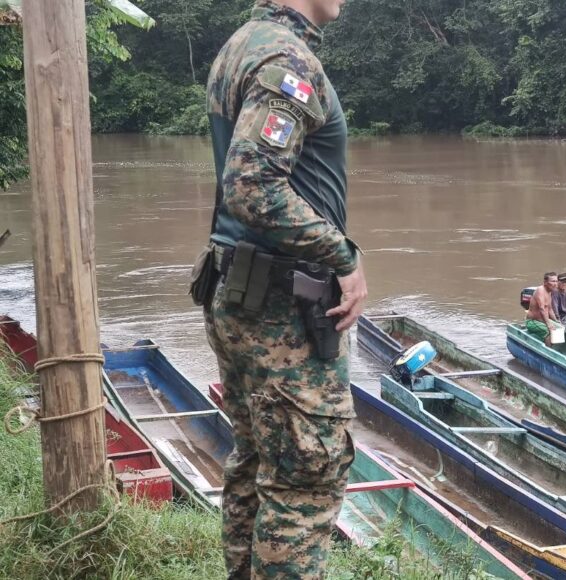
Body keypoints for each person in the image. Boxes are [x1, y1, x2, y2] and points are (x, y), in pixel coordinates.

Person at [198, 1, 366, 577]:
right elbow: (253, 187)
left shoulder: (243, 43)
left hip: (240, 289)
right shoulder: (285, 56)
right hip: (284, 309)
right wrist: (342, 257)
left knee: (254, 464)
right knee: (304, 481)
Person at [525, 272, 558, 345]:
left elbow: (550, 309)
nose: (555, 284)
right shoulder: (540, 290)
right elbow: (541, 308)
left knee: (559, 328)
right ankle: (548, 352)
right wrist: (548, 324)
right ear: (545, 282)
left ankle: (552, 347)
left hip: (543, 321)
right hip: (532, 321)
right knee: (547, 330)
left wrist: (556, 321)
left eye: (556, 281)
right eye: (553, 281)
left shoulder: (549, 292)